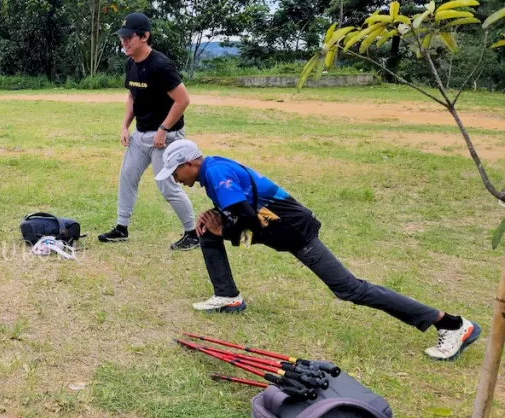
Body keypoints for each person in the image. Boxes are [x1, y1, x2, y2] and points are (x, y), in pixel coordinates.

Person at [158, 139, 482, 361]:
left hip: (294, 231)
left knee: (350, 289)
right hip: (278, 229)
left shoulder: (214, 172)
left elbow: (247, 218)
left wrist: (225, 228)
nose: (175, 180)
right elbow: (248, 218)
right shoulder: (213, 170)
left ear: (189, 163)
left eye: (175, 173)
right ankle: (228, 295)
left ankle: (451, 324)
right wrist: (218, 225)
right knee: (208, 232)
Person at [98, 12, 198, 251]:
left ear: (144, 36)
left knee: (167, 186)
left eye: (128, 37)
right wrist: (124, 125)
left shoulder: (160, 65)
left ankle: (193, 234)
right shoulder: (131, 62)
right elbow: (132, 95)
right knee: (127, 177)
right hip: (140, 135)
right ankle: (121, 228)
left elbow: (182, 100)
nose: (123, 41)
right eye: (122, 37)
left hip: (165, 138)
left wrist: (164, 129)